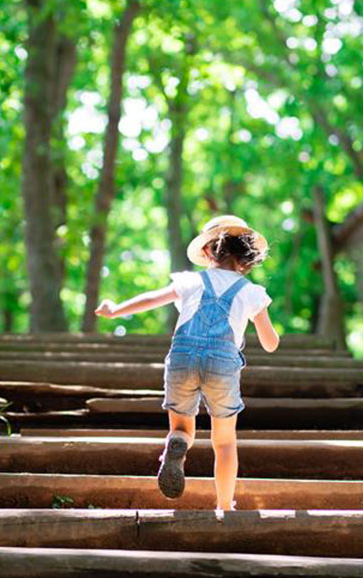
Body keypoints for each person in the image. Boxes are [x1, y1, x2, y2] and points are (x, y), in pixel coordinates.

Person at [95, 215, 279, 510]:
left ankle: (177, 441)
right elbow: (270, 343)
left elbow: (152, 298)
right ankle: (224, 506)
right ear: (247, 257)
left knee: (182, 427)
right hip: (222, 364)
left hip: (182, 357)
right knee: (224, 442)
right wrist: (262, 324)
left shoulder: (191, 281)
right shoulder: (251, 292)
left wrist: (115, 310)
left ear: (207, 251)